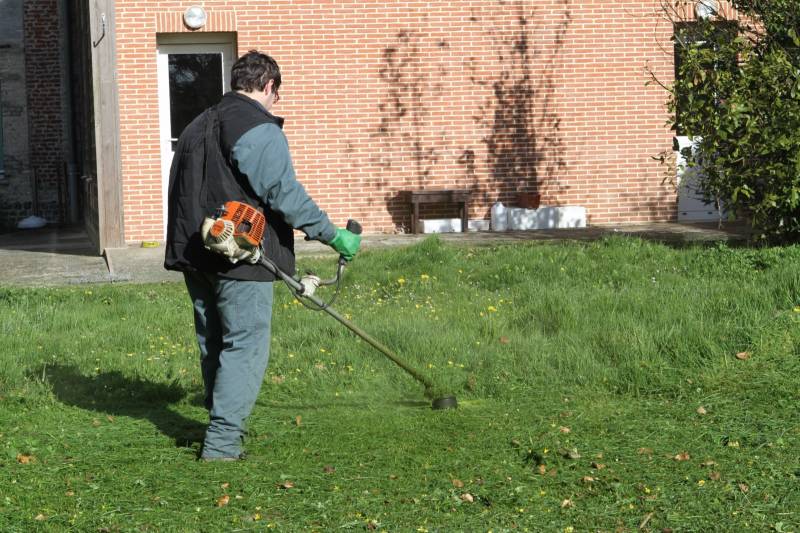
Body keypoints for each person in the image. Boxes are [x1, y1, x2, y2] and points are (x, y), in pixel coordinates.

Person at [164, 50, 361, 461]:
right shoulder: (256, 127)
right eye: (276, 95)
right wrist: (333, 235)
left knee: (214, 342)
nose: (274, 103)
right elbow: (283, 194)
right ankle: (221, 445)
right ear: (269, 86)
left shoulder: (197, 124)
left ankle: (218, 424)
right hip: (240, 258)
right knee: (245, 345)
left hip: (196, 255)